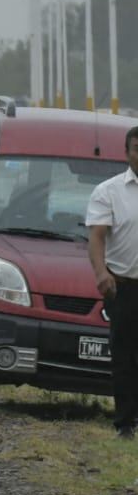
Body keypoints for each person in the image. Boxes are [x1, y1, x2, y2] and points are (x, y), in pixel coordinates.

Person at [86, 124, 138, 439]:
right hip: (125, 286)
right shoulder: (109, 191)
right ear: (127, 152)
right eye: (137, 148)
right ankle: (125, 423)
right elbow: (96, 237)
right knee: (125, 355)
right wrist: (101, 273)